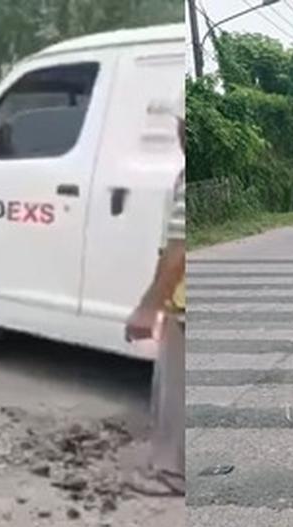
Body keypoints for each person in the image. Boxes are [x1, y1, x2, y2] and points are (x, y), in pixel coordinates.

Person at [124, 92, 186, 497]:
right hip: (177, 301)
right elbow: (170, 247)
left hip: (184, 304)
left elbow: (181, 249)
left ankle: (173, 474)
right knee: (172, 386)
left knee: (174, 391)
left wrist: (148, 306)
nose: (176, 131)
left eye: (178, 124)